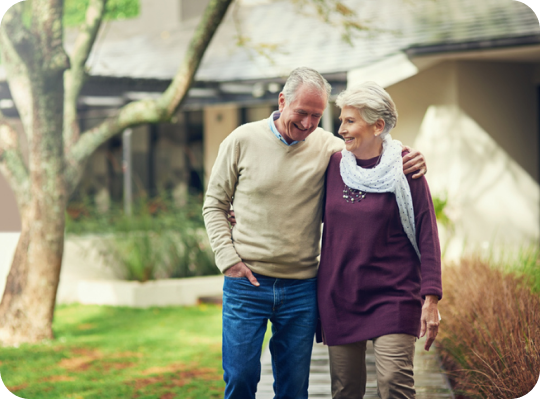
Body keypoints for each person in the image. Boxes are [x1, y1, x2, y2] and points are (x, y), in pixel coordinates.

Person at [202, 67, 427, 399]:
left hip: (301, 287)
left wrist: (410, 157)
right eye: (301, 113)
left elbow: (372, 146)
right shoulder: (241, 140)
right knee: (241, 377)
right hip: (246, 283)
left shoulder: (330, 150)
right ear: (283, 101)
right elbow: (214, 204)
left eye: (317, 116)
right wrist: (228, 260)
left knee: (294, 386)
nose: (308, 123)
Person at [317, 81, 442, 399]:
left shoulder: (405, 167)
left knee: (394, 386)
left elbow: (427, 233)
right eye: (341, 119)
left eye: (349, 121)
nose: (341, 129)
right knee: (345, 390)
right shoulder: (333, 166)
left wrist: (430, 300)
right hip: (341, 295)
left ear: (378, 125)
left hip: (393, 295)